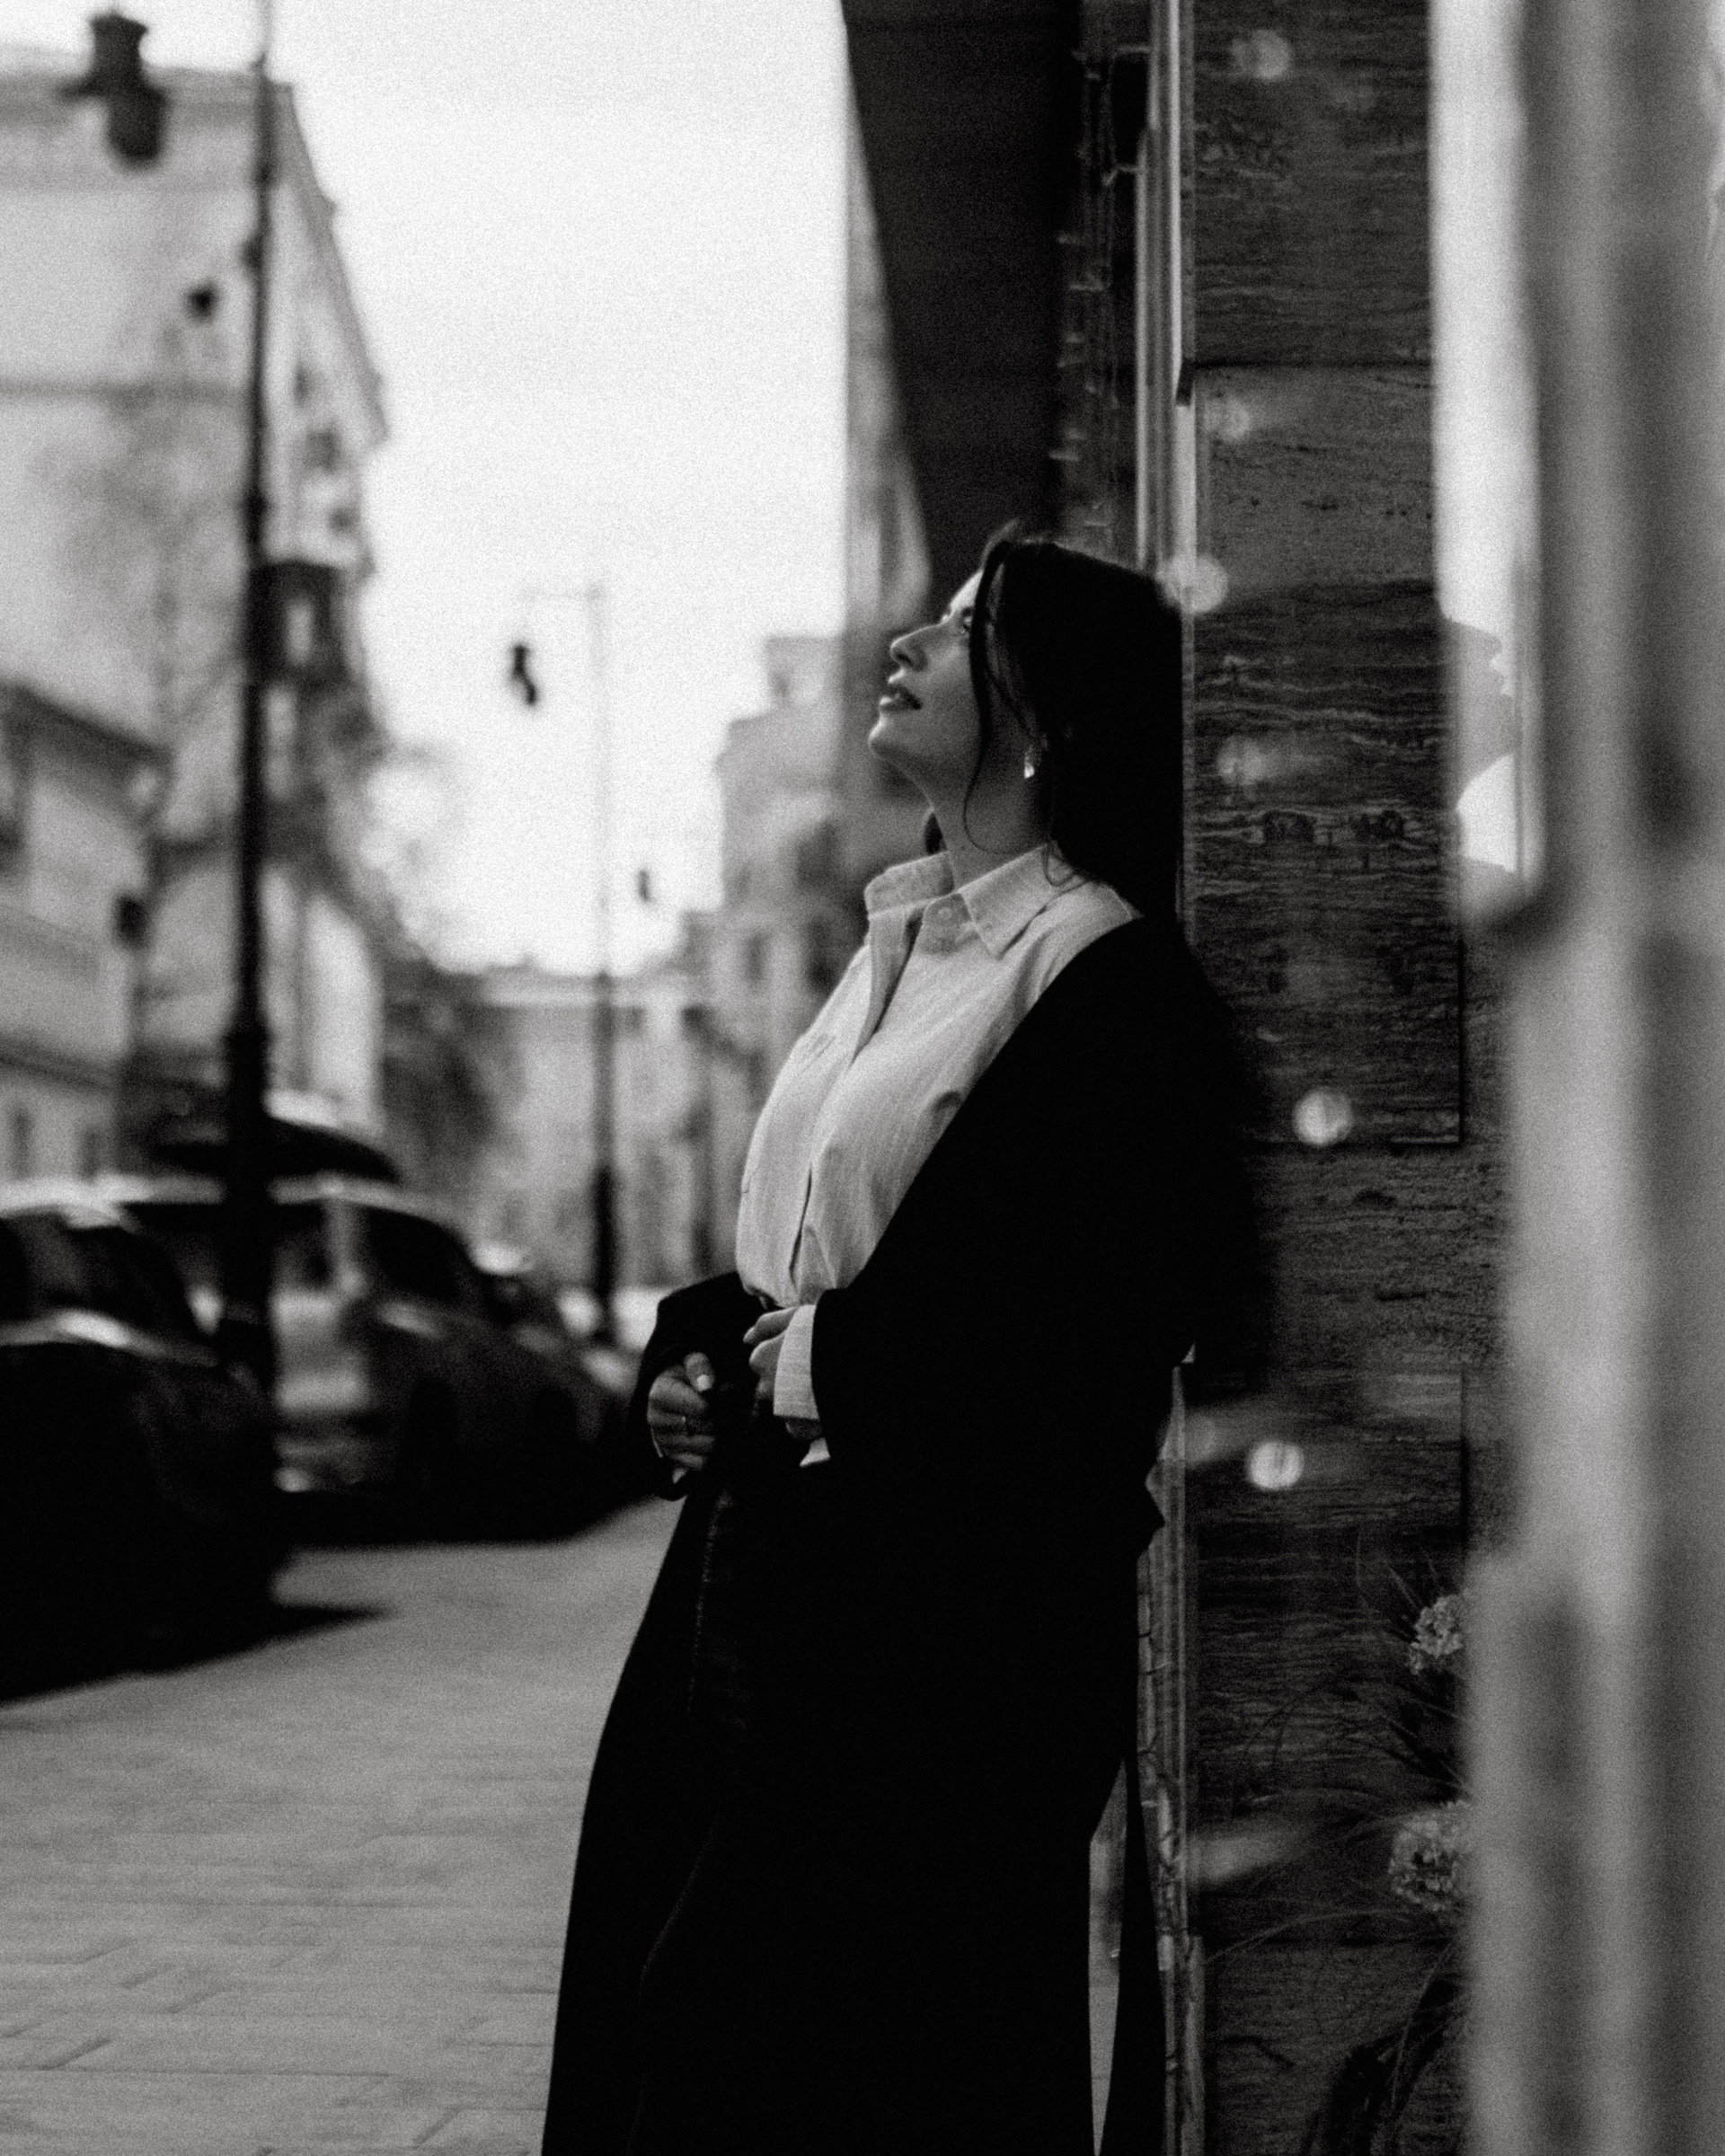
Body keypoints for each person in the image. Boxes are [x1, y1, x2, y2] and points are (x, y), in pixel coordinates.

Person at [540, 529, 1254, 2156]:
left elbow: (1084, 1315)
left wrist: (813, 1368)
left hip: (948, 1622)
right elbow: (803, 1248)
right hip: (767, 1572)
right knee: (689, 2017)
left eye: (964, 627)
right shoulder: (901, 947)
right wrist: (694, 1361)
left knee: (821, 2050)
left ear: (1045, 713)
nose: (911, 645)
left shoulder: (1103, 973)